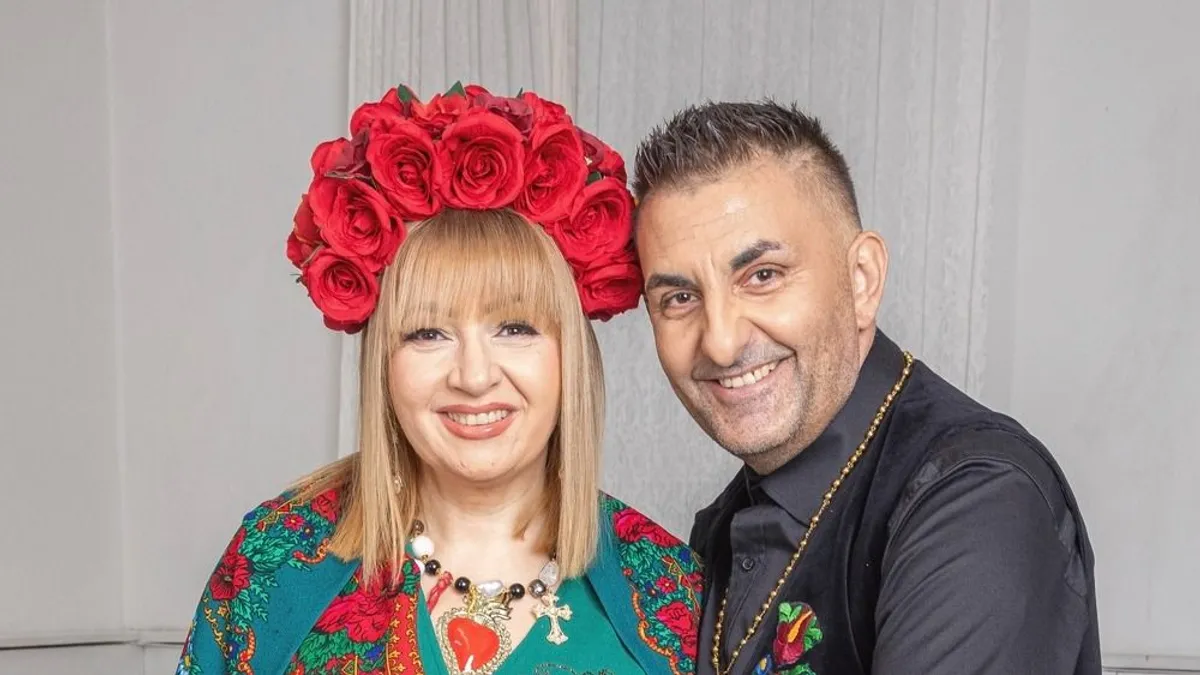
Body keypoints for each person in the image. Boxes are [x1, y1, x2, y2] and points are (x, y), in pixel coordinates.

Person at [176, 83, 702, 675]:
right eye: (427, 333)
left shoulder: (672, 595)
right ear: (383, 361)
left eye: (515, 328)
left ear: (571, 357)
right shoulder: (275, 562)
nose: (474, 377)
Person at [630, 101, 1101, 675]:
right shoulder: (721, 528)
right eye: (680, 298)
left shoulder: (978, 499)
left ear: (862, 280)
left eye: (763, 276)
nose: (722, 343)